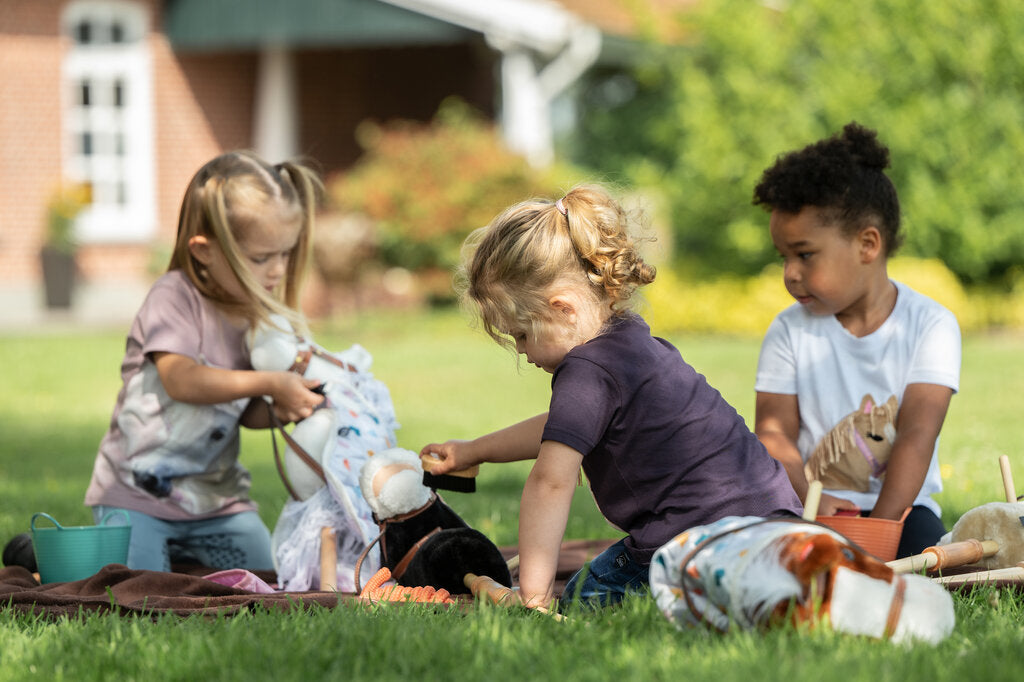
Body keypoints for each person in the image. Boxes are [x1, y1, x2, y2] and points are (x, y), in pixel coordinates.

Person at [420, 185, 801, 609]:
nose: (524, 353)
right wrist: (475, 451)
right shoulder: (630, 341)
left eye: (522, 335)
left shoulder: (585, 371)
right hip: (775, 523)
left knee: (585, 596)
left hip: (701, 543)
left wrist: (534, 595)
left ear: (563, 308)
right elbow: (561, 429)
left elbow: (551, 481)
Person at [82, 150, 326, 572]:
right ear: (203, 251)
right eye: (260, 257)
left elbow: (241, 414)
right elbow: (183, 381)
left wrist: (288, 405)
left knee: (268, 575)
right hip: (136, 494)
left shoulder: (257, 317)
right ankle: (46, 556)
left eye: (284, 254)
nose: (276, 271)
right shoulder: (173, 297)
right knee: (136, 586)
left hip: (217, 501)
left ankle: (176, 555)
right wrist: (269, 382)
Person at [752, 122, 961, 558]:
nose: (790, 273)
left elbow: (917, 434)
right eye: (784, 257)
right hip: (810, 508)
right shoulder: (788, 331)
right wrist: (812, 498)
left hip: (903, 511)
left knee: (929, 565)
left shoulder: (932, 325)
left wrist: (879, 534)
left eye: (805, 254)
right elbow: (774, 435)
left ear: (868, 244)